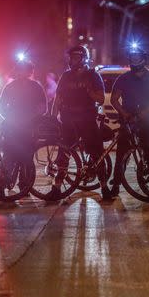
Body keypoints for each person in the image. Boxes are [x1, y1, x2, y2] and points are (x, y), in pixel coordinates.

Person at [109, 44, 149, 198]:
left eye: (137, 57)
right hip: (128, 122)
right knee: (121, 154)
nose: (134, 60)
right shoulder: (123, 78)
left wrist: (146, 112)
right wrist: (125, 114)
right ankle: (116, 184)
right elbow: (114, 99)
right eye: (132, 57)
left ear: (144, 59)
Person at [51, 45, 108, 199]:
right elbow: (58, 99)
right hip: (68, 121)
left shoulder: (93, 76)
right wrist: (52, 118)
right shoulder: (66, 76)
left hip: (88, 120)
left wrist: (90, 92)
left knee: (97, 154)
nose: (72, 60)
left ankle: (104, 187)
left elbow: (101, 99)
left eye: (75, 57)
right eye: (70, 57)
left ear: (83, 58)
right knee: (63, 155)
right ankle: (56, 188)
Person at [0, 59, 47, 193]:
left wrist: (30, 118)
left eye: (26, 70)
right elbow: (1, 107)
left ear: (30, 72)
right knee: (9, 156)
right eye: (20, 70)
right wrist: (12, 118)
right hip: (12, 128)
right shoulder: (10, 87)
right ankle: (3, 183)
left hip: (29, 129)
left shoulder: (36, 87)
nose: (23, 73)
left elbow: (43, 108)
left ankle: (24, 186)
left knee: (27, 159)